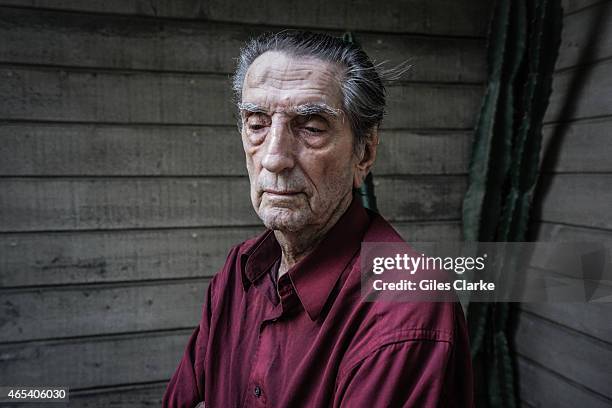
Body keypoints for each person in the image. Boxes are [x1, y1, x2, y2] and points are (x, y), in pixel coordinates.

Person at [162, 30, 473, 407]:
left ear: (365, 153)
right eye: (257, 123)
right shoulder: (237, 272)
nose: (274, 158)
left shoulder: (407, 306)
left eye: (311, 127)